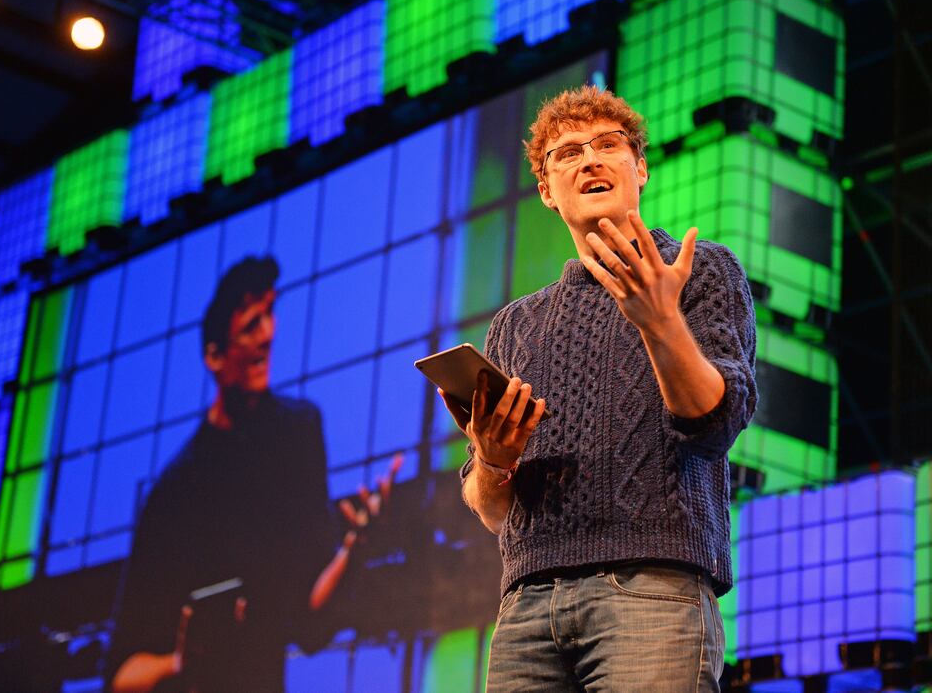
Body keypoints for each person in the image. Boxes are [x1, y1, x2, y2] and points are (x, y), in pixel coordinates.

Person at [439, 85, 757, 692]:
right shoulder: (516, 323)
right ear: (546, 191)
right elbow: (490, 508)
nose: (589, 159)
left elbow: (715, 423)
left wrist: (660, 321)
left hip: (653, 591)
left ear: (638, 167)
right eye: (566, 153)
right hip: (528, 608)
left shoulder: (701, 272)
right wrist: (492, 460)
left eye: (608, 144)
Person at [107, 256, 397, 693]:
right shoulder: (173, 493)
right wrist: (182, 664)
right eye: (249, 326)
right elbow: (122, 675)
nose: (267, 336)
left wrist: (353, 549)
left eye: (268, 316)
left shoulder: (297, 431)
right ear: (214, 356)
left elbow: (309, 622)